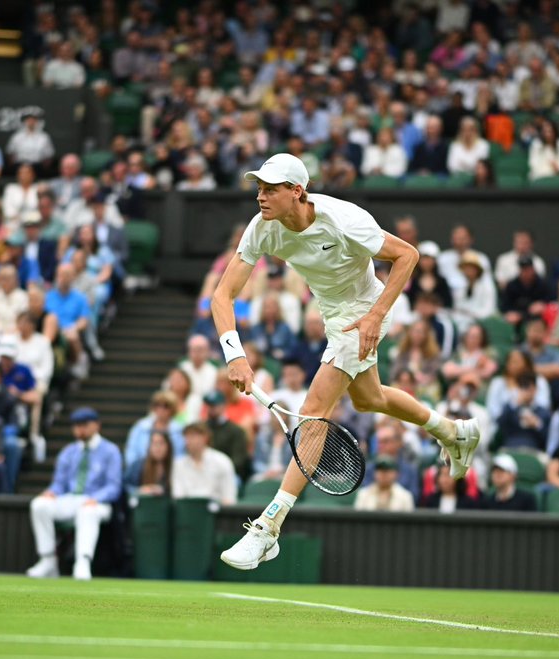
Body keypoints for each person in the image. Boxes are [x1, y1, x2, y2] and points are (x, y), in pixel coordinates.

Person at [212, 154, 480, 570]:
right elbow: (222, 296)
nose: (260, 196)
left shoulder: (344, 218)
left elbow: (407, 255)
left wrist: (374, 317)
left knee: (314, 412)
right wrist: (237, 356)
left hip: (367, 310)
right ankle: (453, 431)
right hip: (334, 315)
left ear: (296, 192)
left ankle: (268, 529)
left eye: (270, 189)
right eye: (258, 188)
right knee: (369, 399)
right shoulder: (261, 228)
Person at [26, 407, 123, 580]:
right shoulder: (68, 452)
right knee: (39, 505)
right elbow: (59, 484)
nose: (80, 429)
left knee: (87, 512)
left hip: (99, 503)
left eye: (85, 425)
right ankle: (48, 560)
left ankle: (83, 562)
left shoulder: (111, 451)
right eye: (77, 425)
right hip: (71, 499)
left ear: (97, 426)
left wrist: (96, 498)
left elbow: (114, 487)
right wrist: (51, 492)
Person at [171, 422, 238, 505]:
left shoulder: (222, 462)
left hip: (217, 513)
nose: (188, 441)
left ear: (205, 438)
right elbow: (177, 497)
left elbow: (229, 498)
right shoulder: (178, 465)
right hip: (187, 512)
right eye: (186, 437)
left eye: (192, 436)